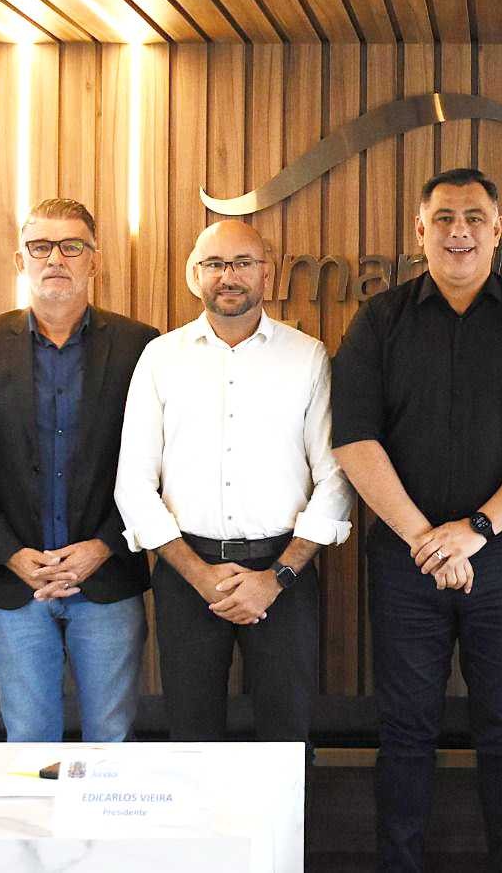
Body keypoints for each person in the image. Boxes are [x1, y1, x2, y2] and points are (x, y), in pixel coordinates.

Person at [332, 168, 502, 872]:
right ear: (420, 230)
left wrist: (475, 530)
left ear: (498, 229)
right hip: (404, 559)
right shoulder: (379, 320)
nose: (458, 230)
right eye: (443, 217)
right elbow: (354, 439)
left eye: (473, 217)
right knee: (405, 730)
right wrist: (426, 540)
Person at [115, 219, 352, 743]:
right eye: (215, 264)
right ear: (194, 274)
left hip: (283, 571)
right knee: (192, 736)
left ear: (267, 273)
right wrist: (198, 574)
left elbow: (336, 479)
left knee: (288, 737)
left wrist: (277, 577)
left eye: (243, 263)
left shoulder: (307, 355)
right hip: (185, 572)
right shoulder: (161, 358)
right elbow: (133, 482)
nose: (229, 276)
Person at [0, 198, 157, 742]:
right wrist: (10, 553)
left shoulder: (139, 345)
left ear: (94, 261)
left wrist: (104, 546)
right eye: (40, 247)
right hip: (13, 581)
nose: (55, 258)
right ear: (21, 261)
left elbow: (155, 461)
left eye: (71, 246)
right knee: (29, 741)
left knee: (112, 740)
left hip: (107, 577)